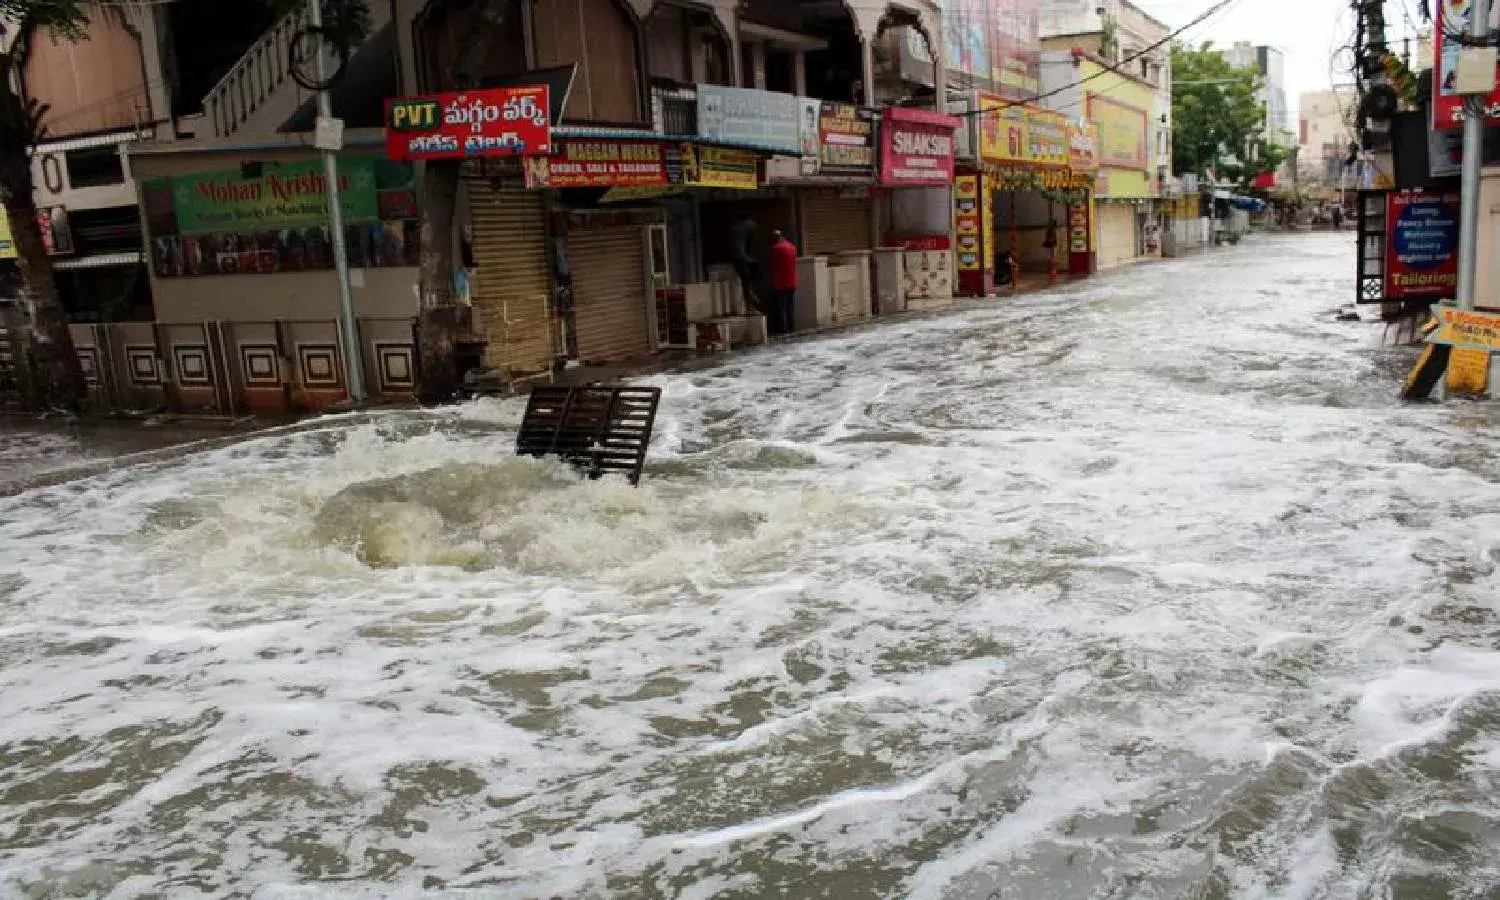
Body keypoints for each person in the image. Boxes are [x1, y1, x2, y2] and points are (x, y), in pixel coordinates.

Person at [766, 229, 799, 336]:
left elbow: (771, 263)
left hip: (780, 283)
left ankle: (784, 329)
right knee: (790, 306)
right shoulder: (791, 247)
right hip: (791, 282)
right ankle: (791, 327)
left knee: (782, 307)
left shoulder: (775, 249)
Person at [730, 213, 761, 313]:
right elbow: (749, 244)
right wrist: (749, 257)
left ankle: (750, 301)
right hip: (742, 257)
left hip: (737, 257)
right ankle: (751, 299)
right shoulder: (750, 225)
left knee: (747, 278)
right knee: (749, 277)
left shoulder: (737, 227)